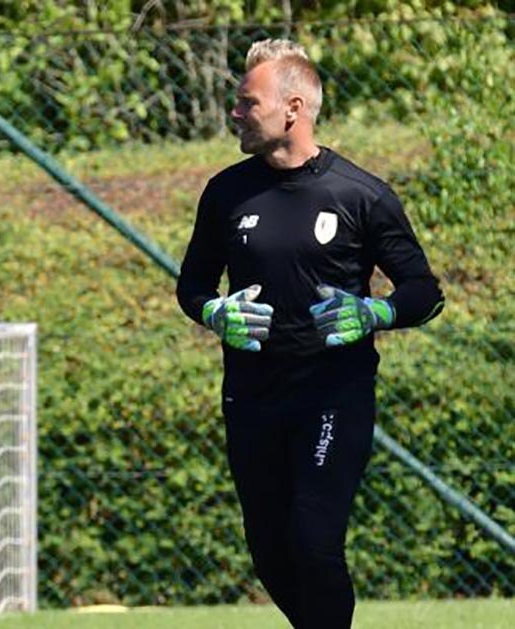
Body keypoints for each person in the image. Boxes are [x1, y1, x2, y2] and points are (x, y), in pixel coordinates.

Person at [176, 39, 444, 628]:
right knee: (270, 551)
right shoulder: (225, 193)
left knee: (314, 538)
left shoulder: (360, 194)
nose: (235, 113)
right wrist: (213, 311)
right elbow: (191, 286)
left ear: (293, 108)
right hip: (250, 396)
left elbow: (424, 290)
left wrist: (377, 314)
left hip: (332, 394)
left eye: (248, 102)